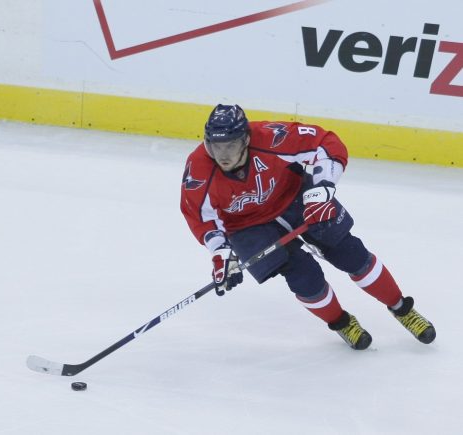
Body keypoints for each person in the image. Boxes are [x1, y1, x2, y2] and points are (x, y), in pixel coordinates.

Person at [180, 104, 436, 349]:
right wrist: (221, 252)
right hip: (247, 227)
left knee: (350, 254)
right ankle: (342, 324)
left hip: (294, 198)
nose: (222, 155)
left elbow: (326, 142)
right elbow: (201, 218)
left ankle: (403, 309)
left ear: (246, 139)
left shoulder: (272, 137)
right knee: (305, 279)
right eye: (216, 146)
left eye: (231, 145)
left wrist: (322, 186)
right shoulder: (198, 169)